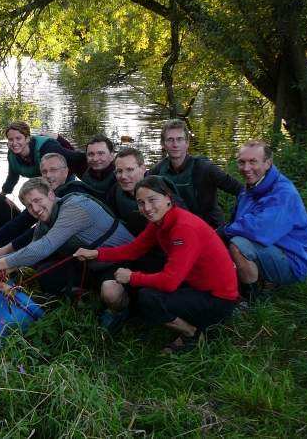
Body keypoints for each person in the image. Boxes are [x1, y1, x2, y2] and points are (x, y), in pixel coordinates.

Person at [74, 176, 239, 351]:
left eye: (152, 200)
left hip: (218, 300)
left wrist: (132, 277)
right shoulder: (160, 222)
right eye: (140, 202)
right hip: (198, 286)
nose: (147, 208)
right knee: (148, 283)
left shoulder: (183, 227)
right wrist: (95, 253)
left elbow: (169, 282)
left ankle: (192, 333)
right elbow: (133, 250)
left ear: (168, 198)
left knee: (148, 298)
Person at [0, 177, 133, 296]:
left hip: (125, 261)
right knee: (46, 274)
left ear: (51, 195)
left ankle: (118, 311)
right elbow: (30, 252)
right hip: (93, 263)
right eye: (29, 206)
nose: (35, 209)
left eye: (38, 200)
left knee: (110, 292)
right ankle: (88, 293)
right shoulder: (44, 222)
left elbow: (44, 248)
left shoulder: (74, 207)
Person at [218, 141, 307, 298]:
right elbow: (240, 221)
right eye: (242, 162)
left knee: (238, 245)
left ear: (268, 163)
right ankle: (259, 278)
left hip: (291, 261)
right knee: (226, 243)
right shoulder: (250, 188)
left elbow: (258, 229)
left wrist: (225, 231)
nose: (246, 168)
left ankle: (250, 297)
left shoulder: (283, 193)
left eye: (253, 161)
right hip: (271, 247)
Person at [0, 153, 92, 263]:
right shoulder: (45, 193)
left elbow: (44, 237)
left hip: (89, 253)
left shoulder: (76, 195)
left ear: (66, 171)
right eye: (44, 172)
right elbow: (19, 223)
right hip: (63, 247)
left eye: (53, 170)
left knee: (50, 279)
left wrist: (4, 253)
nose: (48, 175)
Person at [149, 119, 242, 228]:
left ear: (187, 143)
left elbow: (240, 190)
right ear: (163, 144)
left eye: (180, 139)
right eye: (170, 140)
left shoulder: (205, 168)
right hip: (176, 227)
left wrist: (237, 221)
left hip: (210, 228)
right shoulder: (158, 170)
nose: (175, 144)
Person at [0, 121, 87, 195]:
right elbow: (12, 177)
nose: (14, 143)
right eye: (10, 139)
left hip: (65, 183)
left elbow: (78, 158)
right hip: (45, 186)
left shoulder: (47, 148)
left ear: (27, 139)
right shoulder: (12, 155)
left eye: (18, 138)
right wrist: (2, 195)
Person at [106, 147, 149, 235]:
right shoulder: (115, 191)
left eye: (129, 170)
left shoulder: (160, 189)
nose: (123, 176)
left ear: (143, 169)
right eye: (119, 171)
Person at [81, 133, 117, 200]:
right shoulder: (86, 175)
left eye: (101, 153)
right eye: (91, 154)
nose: (95, 159)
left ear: (112, 156)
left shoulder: (120, 177)